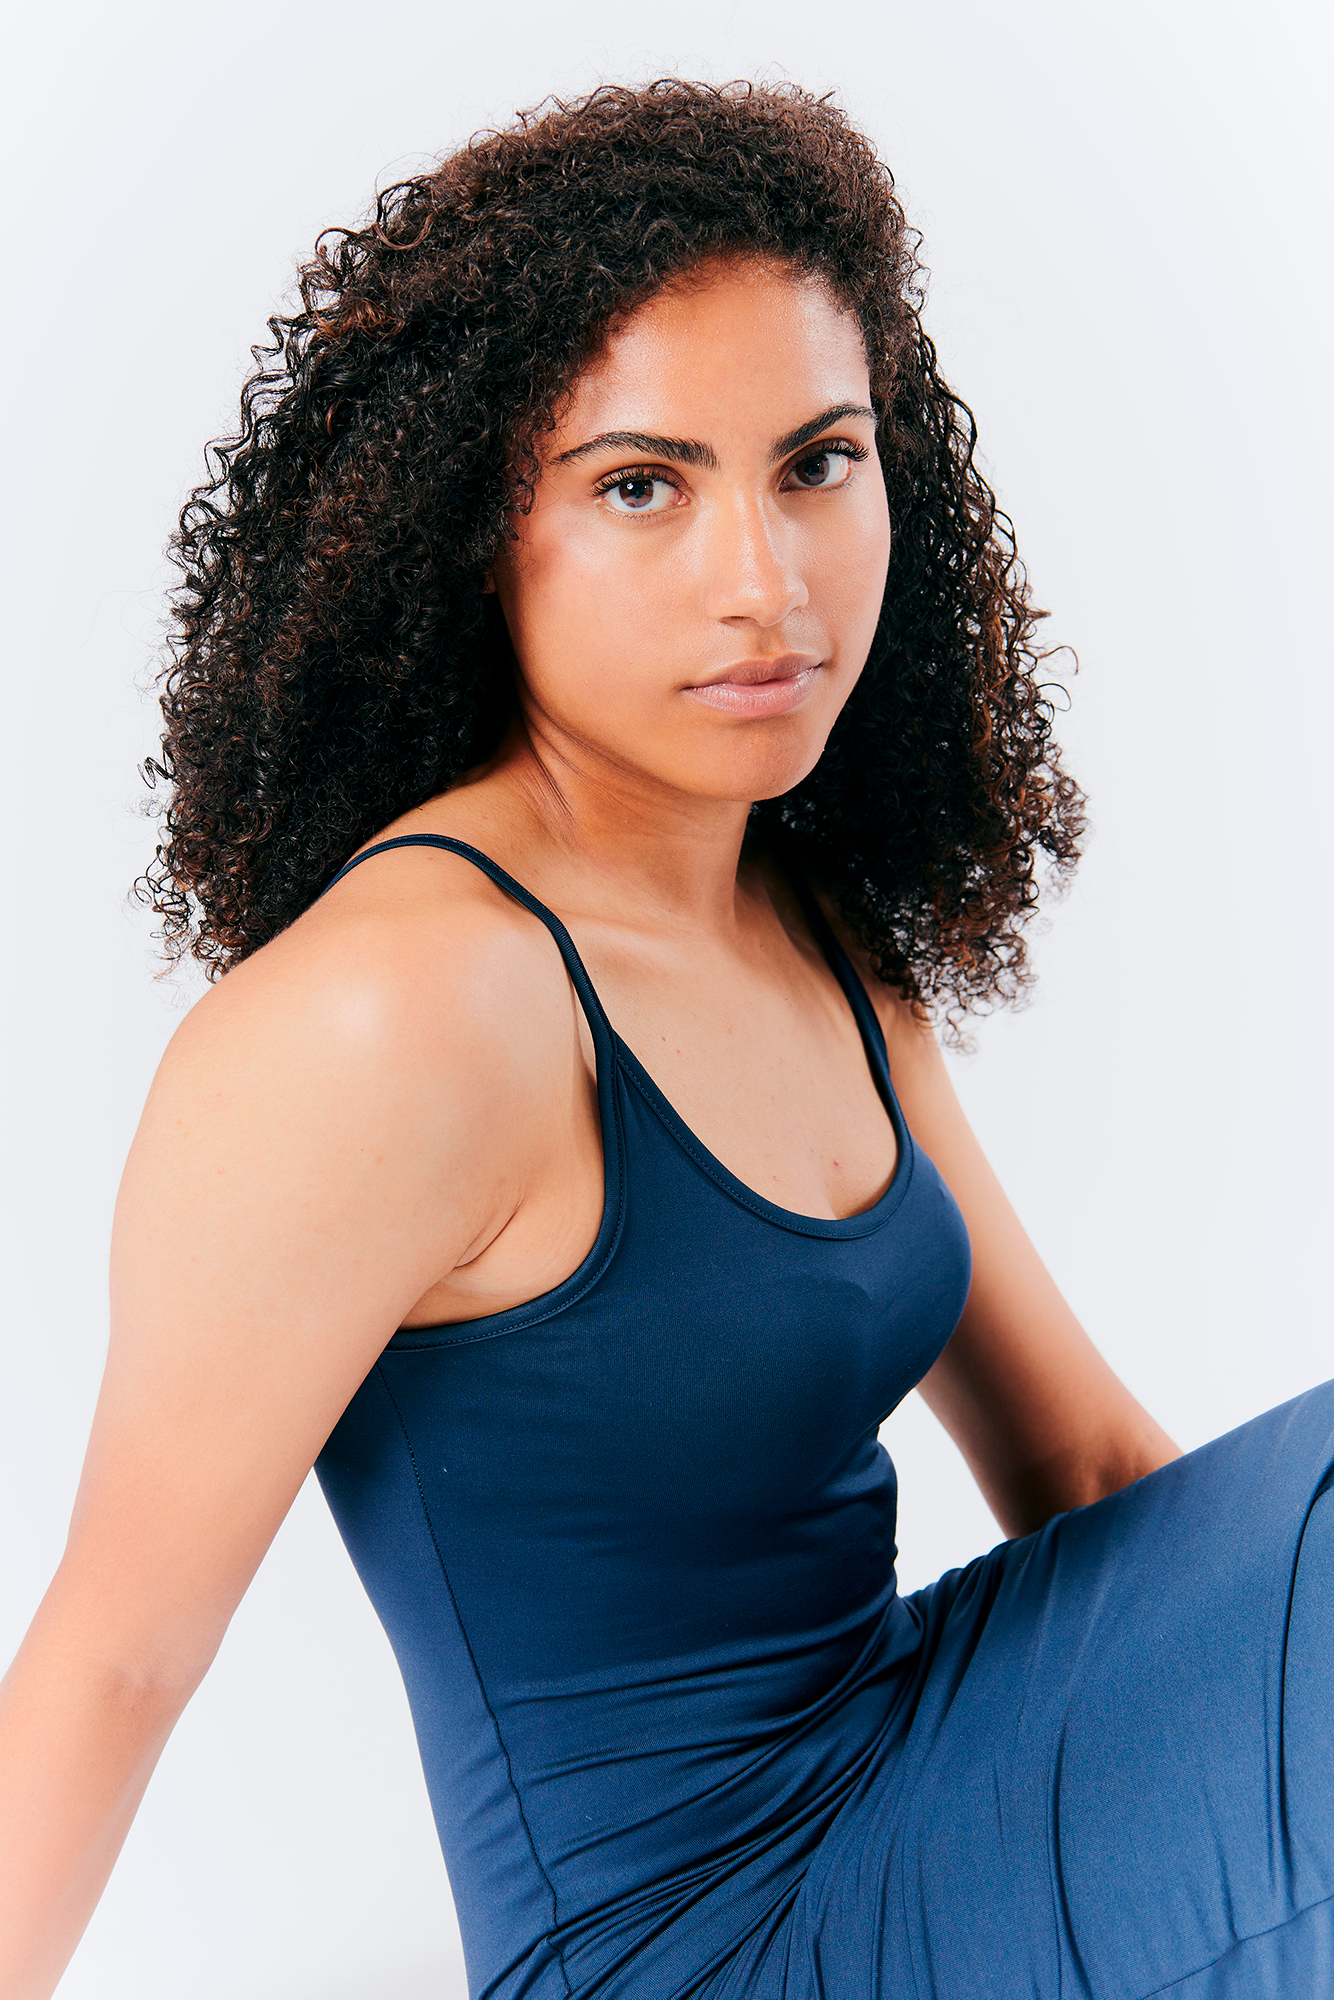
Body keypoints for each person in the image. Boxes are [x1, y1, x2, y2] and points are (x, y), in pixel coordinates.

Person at [0, 77, 1330, 2000]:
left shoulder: (795, 909)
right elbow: (112, 1656)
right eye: (643, 484)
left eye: (816, 462)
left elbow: (1096, 1469)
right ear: (478, 538)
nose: (765, 584)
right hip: (698, 1941)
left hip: (919, 1759)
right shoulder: (394, 1013)